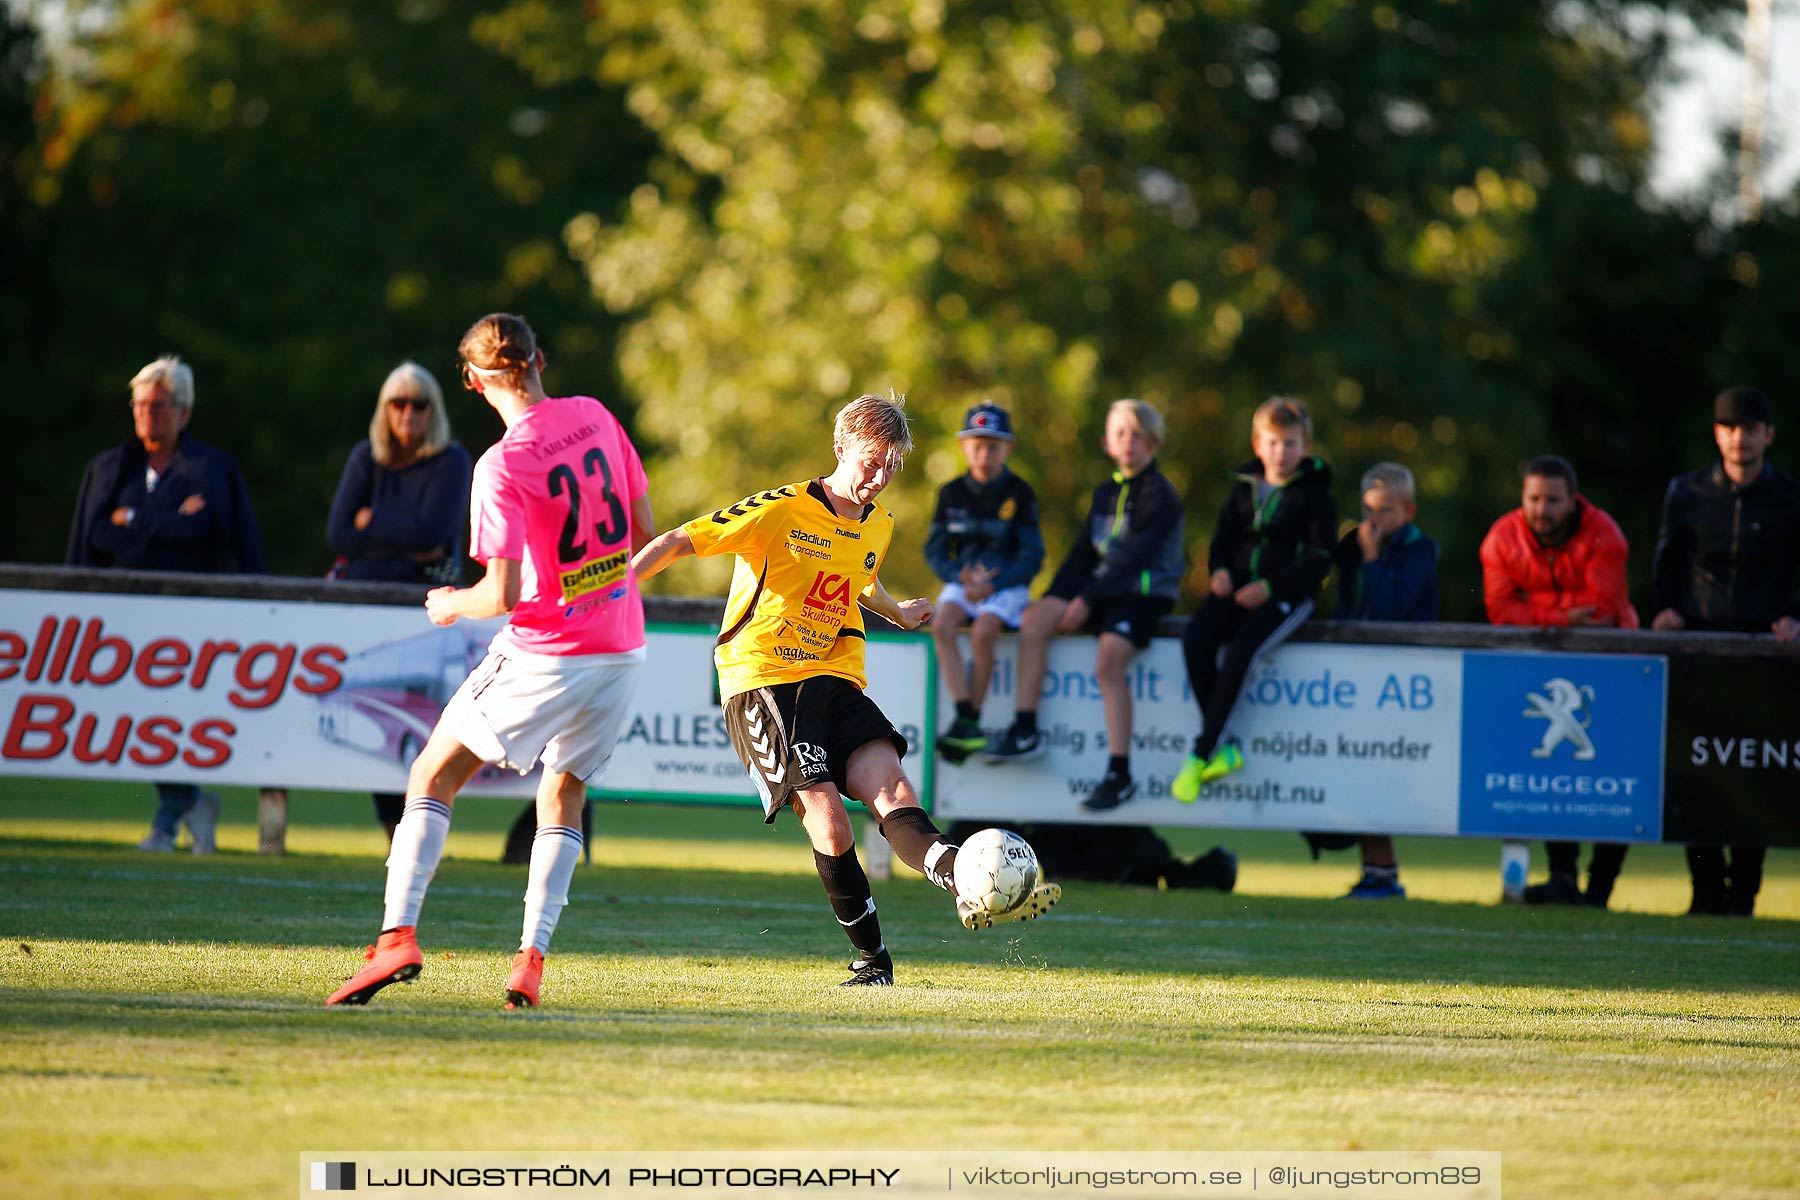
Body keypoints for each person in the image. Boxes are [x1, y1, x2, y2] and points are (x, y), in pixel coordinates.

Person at [631, 392, 1060, 987]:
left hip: (835, 676)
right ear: (840, 448)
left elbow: (857, 578)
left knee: (897, 792)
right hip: (765, 678)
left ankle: (969, 877)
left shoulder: (877, 523)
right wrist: (616, 587)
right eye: (869, 462)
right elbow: (682, 540)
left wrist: (896, 610)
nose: (878, 478)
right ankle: (873, 961)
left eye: (890, 466)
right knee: (829, 819)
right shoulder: (781, 509)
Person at [326, 313, 653, 1010]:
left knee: (430, 773)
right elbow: (643, 531)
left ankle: (396, 938)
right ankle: (530, 961)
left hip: (549, 651)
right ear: (541, 360)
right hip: (622, 646)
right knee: (562, 796)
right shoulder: (594, 414)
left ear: (473, 382)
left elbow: (500, 595)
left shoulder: (500, 464)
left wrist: (450, 605)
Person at [67, 354, 265, 855]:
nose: (147, 414)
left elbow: (221, 538)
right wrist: (167, 521)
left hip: (189, 624)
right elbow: (90, 539)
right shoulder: (109, 468)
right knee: (129, 720)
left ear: (184, 412)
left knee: (169, 720)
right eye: (140, 405)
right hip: (115, 625)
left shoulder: (212, 470)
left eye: (159, 406)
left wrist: (131, 521)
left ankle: (167, 819)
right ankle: (190, 802)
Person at [984, 400, 1185, 814]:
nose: (1130, 443)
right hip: (1102, 590)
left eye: (1139, 436)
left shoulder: (1160, 493)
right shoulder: (1106, 491)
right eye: (1121, 435)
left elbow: (1133, 558)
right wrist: (1058, 598)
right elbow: (1083, 556)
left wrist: (1085, 601)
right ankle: (1025, 729)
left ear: (1153, 443)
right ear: (1108, 442)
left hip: (1143, 594)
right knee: (1034, 619)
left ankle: (1119, 773)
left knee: (1108, 661)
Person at [1651, 386, 1800, 917]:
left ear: (1768, 435)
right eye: (1730, 428)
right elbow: (1667, 560)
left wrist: (1793, 616)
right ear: (1718, 434)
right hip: (1701, 649)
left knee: (1752, 771)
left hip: (1764, 656)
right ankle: (1706, 887)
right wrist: (1667, 609)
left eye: (1751, 428)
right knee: (1698, 773)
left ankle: (1745, 893)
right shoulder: (1687, 492)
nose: (1740, 438)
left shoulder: (1789, 496)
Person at [1478, 454, 1638, 909]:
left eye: (1552, 499)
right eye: (1533, 498)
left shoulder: (1604, 533)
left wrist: (1536, 607)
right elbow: (1499, 611)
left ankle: (1601, 887)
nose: (1542, 509)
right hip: (1547, 667)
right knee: (1552, 776)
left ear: (1573, 501)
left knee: (1619, 776)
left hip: (1614, 663)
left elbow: (1603, 611)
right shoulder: (1502, 538)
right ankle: (1563, 879)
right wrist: (1564, 614)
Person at [326, 361, 473, 841]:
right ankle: (396, 829)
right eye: (398, 403)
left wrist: (373, 523)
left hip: (429, 612)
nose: (407, 413)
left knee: (432, 727)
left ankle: (424, 823)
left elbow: (434, 533)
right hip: (369, 607)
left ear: (434, 411)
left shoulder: (451, 461)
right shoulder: (365, 458)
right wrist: (405, 534)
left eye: (418, 404)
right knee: (377, 721)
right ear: (384, 410)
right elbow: (338, 534)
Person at [1172, 396, 1335, 803]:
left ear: (1306, 447)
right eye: (1274, 443)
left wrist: (1273, 587)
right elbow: (1222, 540)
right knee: (1196, 640)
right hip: (1238, 589)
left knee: (1242, 651)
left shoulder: (1316, 496)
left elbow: (1320, 558)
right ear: (1258, 445)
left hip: (1288, 596)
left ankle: (1201, 753)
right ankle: (1222, 749)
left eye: (1291, 444)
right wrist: (1220, 571)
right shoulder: (1243, 488)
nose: (1282, 453)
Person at [1323, 462, 1440, 899]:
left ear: (1408, 511)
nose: (1376, 520)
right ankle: (1373, 869)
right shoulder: (1354, 547)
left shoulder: (1419, 552)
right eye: (1370, 510)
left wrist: (1372, 560)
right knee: (1360, 771)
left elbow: (1392, 611)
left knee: (1383, 775)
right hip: (1360, 679)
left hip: (1402, 684)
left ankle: (1385, 871)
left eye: (1387, 511)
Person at [925, 401, 1045, 764]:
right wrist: (956, 575)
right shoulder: (950, 493)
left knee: (983, 631)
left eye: (993, 445)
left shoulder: (1020, 493)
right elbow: (934, 550)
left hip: (1004, 585)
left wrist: (995, 584)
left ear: (1007, 448)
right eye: (977, 444)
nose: (984, 452)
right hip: (965, 581)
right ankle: (966, 715)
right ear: (963, 446)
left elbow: (1032, 556)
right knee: (942, 623)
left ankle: (969, 721)